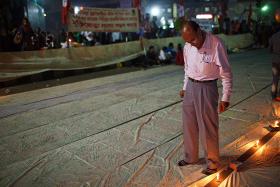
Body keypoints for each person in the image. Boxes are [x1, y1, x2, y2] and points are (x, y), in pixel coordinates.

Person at [178, 20, 233, 175]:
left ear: (199, 31)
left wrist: (225, 97)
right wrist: (184, 87)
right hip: (190, 86)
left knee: (208, 126)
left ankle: (212, 162)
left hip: (207, 87)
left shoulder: (216, 43)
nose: (191, 44)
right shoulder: (188, 45)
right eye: (187, 41)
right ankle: (190, 157)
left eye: (193, 40)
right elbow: (187, 69)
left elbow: (226, 73)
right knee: (189, 124)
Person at [269, 30, 280, 101]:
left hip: (275, 61)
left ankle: (273, 96)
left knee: (275, 79)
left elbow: (270, 49)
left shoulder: (274, 36)